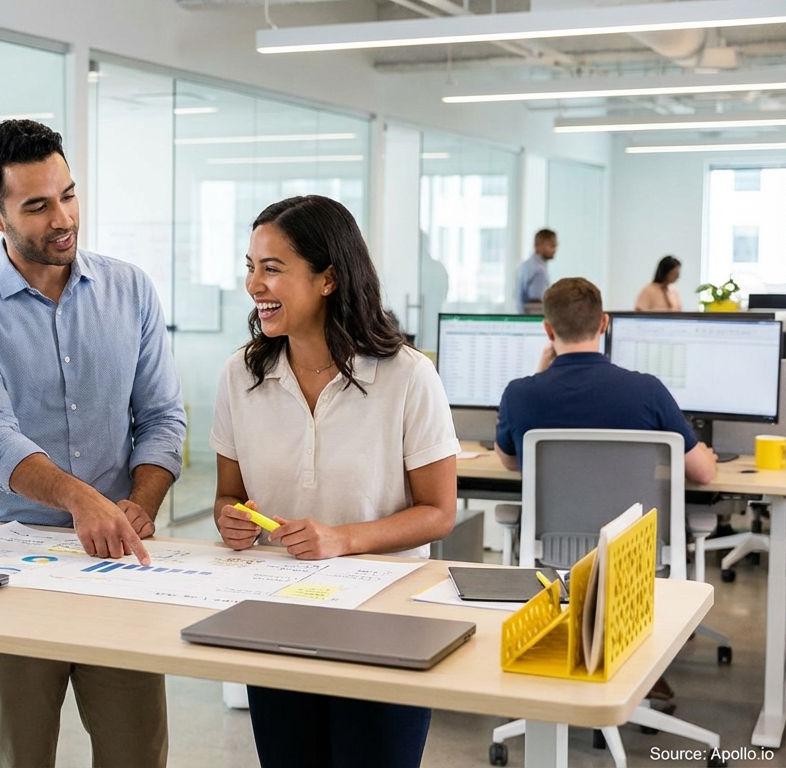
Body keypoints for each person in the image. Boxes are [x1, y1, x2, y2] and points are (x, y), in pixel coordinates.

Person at [0, 119, 185, 768]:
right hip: (13, 558)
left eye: (68, 194)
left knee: (136, 751)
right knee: (23, 753)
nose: (63, 217)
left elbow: (161, 417)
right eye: (38, 205)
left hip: (122, 551)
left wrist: (139, 503)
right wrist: (83, 501)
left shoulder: (130, 290)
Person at [212, 195, 458, 768]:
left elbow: (438, 512)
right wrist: (231, 516)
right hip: (276, 614)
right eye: (249, 267)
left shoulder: (408, 376)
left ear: (328, 279)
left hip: (386, 620)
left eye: (272, 268)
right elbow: (230, 494)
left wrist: (342, 538)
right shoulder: (239, 374)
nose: (254, 285)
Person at [496, 277, 716, 485]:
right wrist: (706, 455)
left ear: (548, 330)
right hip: (630, 526)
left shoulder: (518, 395)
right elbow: (703, 474)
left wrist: (540, 374)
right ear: (603, 324)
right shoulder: (648, 391)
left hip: (554, 527)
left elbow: (510, 461)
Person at [516, 229, 558, 314]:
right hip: (533, 318)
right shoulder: (538, 269)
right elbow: (536, 301)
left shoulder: (527, 264)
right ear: (539, 245)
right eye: (551, 245)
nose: (554, 249)